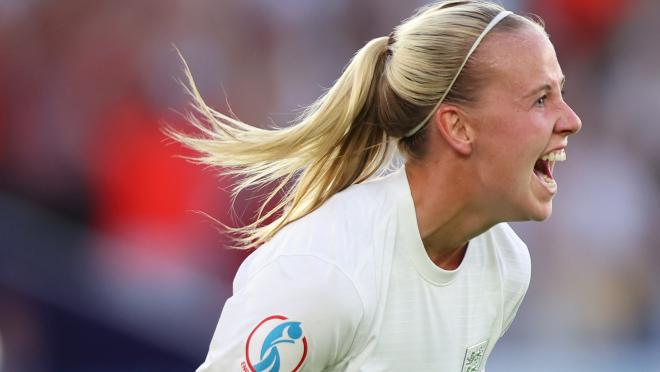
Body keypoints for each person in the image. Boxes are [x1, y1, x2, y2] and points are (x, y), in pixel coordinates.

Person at [170, 0, 582, 370]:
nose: (572, 120)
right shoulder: (324, 274)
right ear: (457, 127)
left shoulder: (506, 265)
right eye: (541, 99)